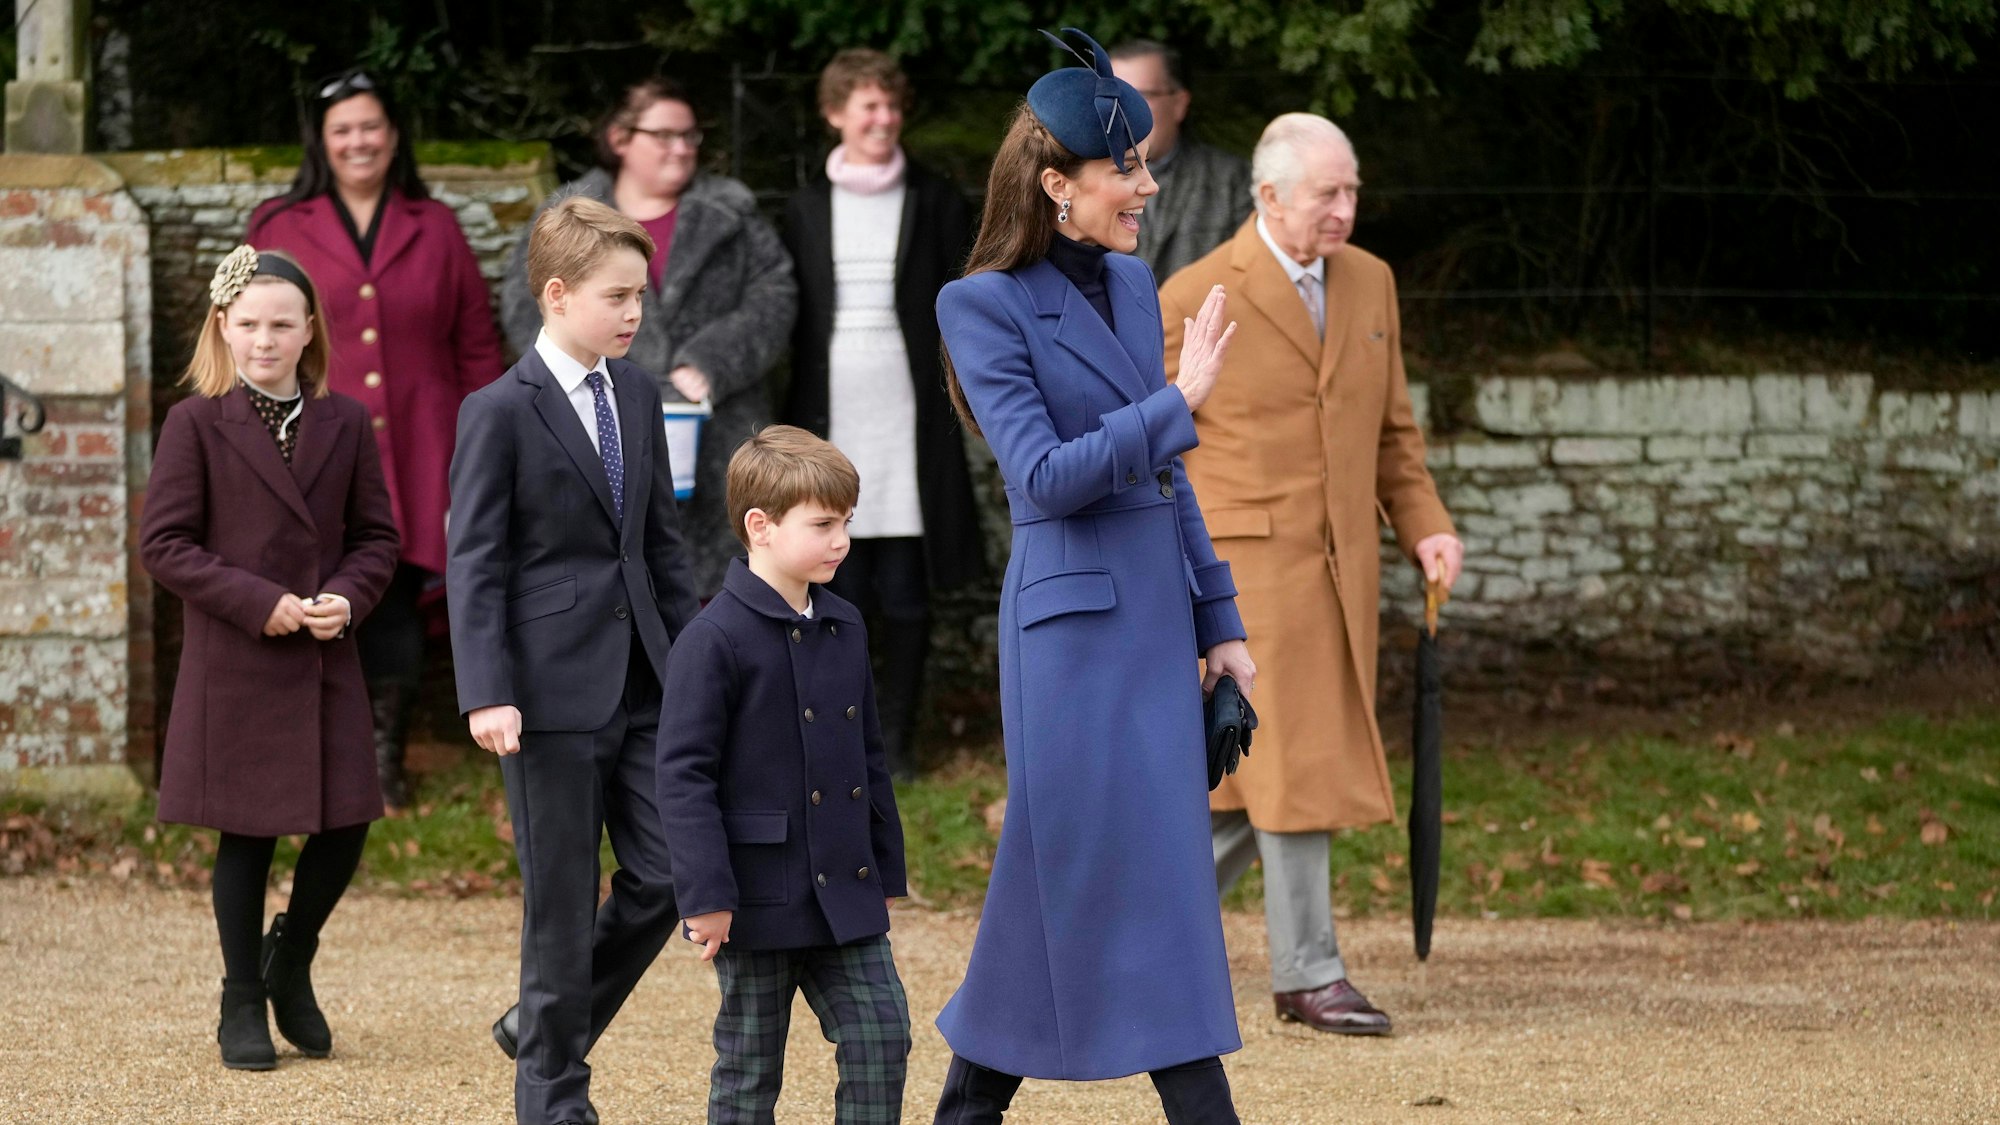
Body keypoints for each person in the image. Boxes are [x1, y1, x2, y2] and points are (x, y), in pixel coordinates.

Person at [928, 28, 1254, 1124]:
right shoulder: (977, 305)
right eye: (1129, 171)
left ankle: (968, 1108)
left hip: (1156, 625)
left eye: (1147, 166)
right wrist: (1179, 401)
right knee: (1078, 872)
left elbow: (1165, 474)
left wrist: (1219, 618)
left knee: (1108, 880)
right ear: (1054, 184)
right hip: (1068, 641)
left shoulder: (1126, 281)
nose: (1148, 189)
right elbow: (1042, 478)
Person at [1159, 112, 1465, 1037]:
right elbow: (1160, 449)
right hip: (1246, 575)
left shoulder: (1371, 279)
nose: (1346, 208)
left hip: (1349, 573)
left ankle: (1112, 932)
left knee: (1259, 783)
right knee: (1286, 766)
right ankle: (1309, 972)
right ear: (1268, 197)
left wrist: (1428, 527)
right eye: (1328, 192)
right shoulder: (1197, 291)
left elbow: (1391, 431)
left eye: (1354, 189)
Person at [449, 197, 705, 1125]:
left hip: (645, 679)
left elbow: (661, 548)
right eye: (618, 296)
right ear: (557, 295)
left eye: (641, 294)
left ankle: (542, 1024)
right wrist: (487, 691)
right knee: (557, 908)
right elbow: (473, 560)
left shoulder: (636, 394)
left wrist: (691, 673)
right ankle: (554, 1100)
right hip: (544, 696)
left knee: (672, 873)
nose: (636, 312)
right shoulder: (496, 411)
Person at [140, 246, 400, 1070]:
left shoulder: (347, 421)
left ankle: (290, 955)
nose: (264, 339)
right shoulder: (195, 422)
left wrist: (348, 597)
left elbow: (378, 539)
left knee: (348, 821)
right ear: (224, 326)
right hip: (240, 657)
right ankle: (241, 995)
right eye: (248, 324)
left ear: (309, 329)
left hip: (326, 654)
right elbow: (165, 545)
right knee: (246, 836)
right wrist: (261, 603)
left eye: (281, 324)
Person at [247, 67, 505, 811]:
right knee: (311, 590)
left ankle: (381, 759)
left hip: (423, 447)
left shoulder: (438, 226)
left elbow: (477, 347)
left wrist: (478, 445)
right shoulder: (278, 226)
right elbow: (248, 337)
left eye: (371, 126)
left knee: (390, 597)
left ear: (393, 137)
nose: (359, 141)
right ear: (321, 143)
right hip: (311, 442)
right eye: (342, 130)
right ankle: (315, 757)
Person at [656, 425, 912, 1124]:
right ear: (760, 526)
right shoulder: (711, 640)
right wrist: (704, 894)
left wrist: (885, 871)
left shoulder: (847, 623)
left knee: (882, 1038)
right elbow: (683, 778)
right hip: (756, 896)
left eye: (847, 523)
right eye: (824, 523)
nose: (842, 540)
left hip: (847, 892)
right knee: (749, 1074)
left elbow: (869, 758)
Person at [502, 77, 797, 599]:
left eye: (690, 136)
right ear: (619, 138)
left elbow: (774, 296)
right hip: (599, 425)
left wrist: (713, 360)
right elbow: (527, 305)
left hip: (721, 431)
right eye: (664, 135)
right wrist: (595, 373)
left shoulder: (732, 210)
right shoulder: (566, 215)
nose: (681, 149)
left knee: (724, 595)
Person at [781, 48, 985, 780]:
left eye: (892, 105)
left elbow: (966, 302)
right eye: (867, 105)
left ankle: (895, 743)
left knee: (904, 590)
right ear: (834, 113)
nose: (883, 118)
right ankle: (837, 741)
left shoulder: (935, 199)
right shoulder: (802, 209)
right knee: (833, 585)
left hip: (908, 418)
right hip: (828, 414)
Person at [1108, 40, 1253, 283]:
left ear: (1179, 103)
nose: (1125, 111)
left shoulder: (1232, 181)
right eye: (1115, 98)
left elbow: (1246, 279)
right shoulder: (1081, 183)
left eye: (1141, 96)